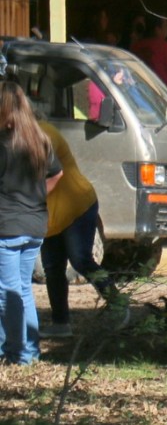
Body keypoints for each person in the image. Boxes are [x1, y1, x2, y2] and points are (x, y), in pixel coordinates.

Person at [1, 80, 62, 365]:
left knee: (8, 292)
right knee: (23, 289)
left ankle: (18, 354)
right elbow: (57, 174)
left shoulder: (3, 143)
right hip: (35, 224)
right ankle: (30, 350)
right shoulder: (40, 139)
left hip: (7, 227)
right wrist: (36, 196)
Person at [37, 122, 113, 339]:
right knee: (53, 268)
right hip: (53, 214)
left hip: (77, 206)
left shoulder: (43, 132)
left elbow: (50, 172)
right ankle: (60, 323)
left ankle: (118, 302)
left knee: (80, 260)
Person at [131, 15, 167, 86]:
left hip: (141, 88)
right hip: (160, 90)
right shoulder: (165, 47)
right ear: (157, 29)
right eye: (166, 26)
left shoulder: (135, 46)